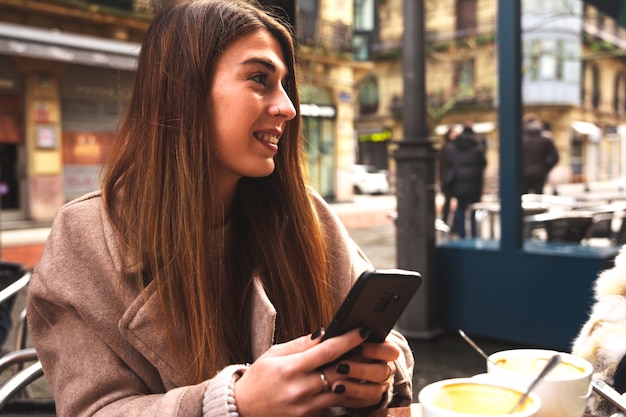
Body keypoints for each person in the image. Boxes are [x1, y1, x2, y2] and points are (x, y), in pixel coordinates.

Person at [26, 1, 414, 416]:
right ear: (183, 91)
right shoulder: (85, 238)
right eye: (260, 79)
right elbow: (95, 409)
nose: (288, 107)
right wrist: (230, 404)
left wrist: (374, 381)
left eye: (284, 85)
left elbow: (396, 353)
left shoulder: (307, 216)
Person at [443, 122, 486, 238]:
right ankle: (473, 235)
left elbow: (448, 164)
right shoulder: (476, 148)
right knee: (472, 210)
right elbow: (483, 164)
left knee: (460, 208)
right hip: (473, 184)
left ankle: (461, 235)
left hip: (458, 184)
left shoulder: (452, 148)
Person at [522, 113, 559, 194]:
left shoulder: (519, 140)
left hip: (523, 173)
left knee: (523, 198)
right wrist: (545, 168)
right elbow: (555, 157)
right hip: (539, 173)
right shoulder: (545, 139)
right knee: (538, 197)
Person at [439, 127, 458, 225]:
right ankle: (447, 221)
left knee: (452, 202)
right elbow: (442, 165)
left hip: (452, 178)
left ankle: (450, 222)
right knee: (448, 201)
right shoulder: (447, 148)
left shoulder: (454, 147)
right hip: (448, 178)